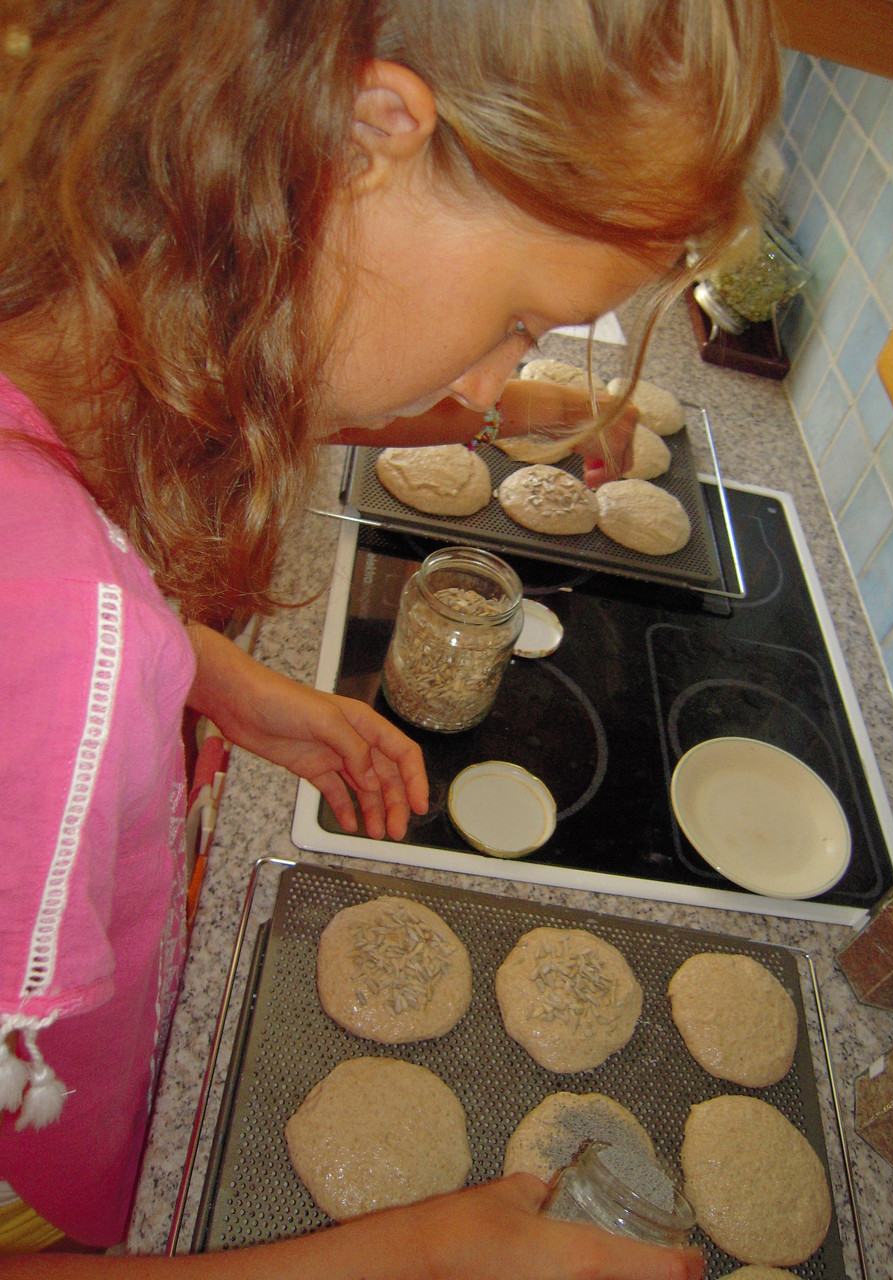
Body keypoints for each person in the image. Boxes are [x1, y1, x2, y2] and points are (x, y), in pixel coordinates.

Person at [0, 0, 780, 1274]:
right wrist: (409, 1257)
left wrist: (211, 676)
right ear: (367, 135)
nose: (486, 385)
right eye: (523, 314)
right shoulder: (42, 638)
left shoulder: (86, 319)